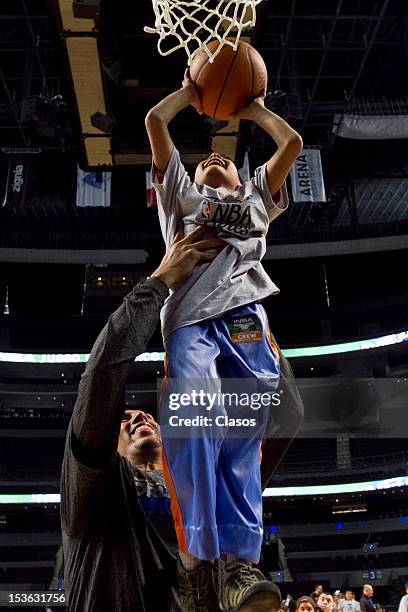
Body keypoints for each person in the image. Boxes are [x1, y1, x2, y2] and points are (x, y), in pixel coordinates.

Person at [145, 69, 303, 611]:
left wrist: (254, 108)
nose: (212, 159)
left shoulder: (259, 193)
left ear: (241, 176)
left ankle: (238, 566)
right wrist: (192, 95)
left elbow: (292, 144)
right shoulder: (180, 196)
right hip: (189, 318)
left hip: (247, 321)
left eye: (224, 159)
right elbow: (153, 121)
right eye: (204, 159)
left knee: (240, 445)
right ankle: (195, 561)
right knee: (195, 419)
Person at [60, 227, 225, 612]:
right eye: (124, 418)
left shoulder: (202, 485)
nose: (138, 418)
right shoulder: (93, 485)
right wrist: (158, 282)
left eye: (148, 415)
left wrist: (249, 313)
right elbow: (102, 373)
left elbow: (288, 414)